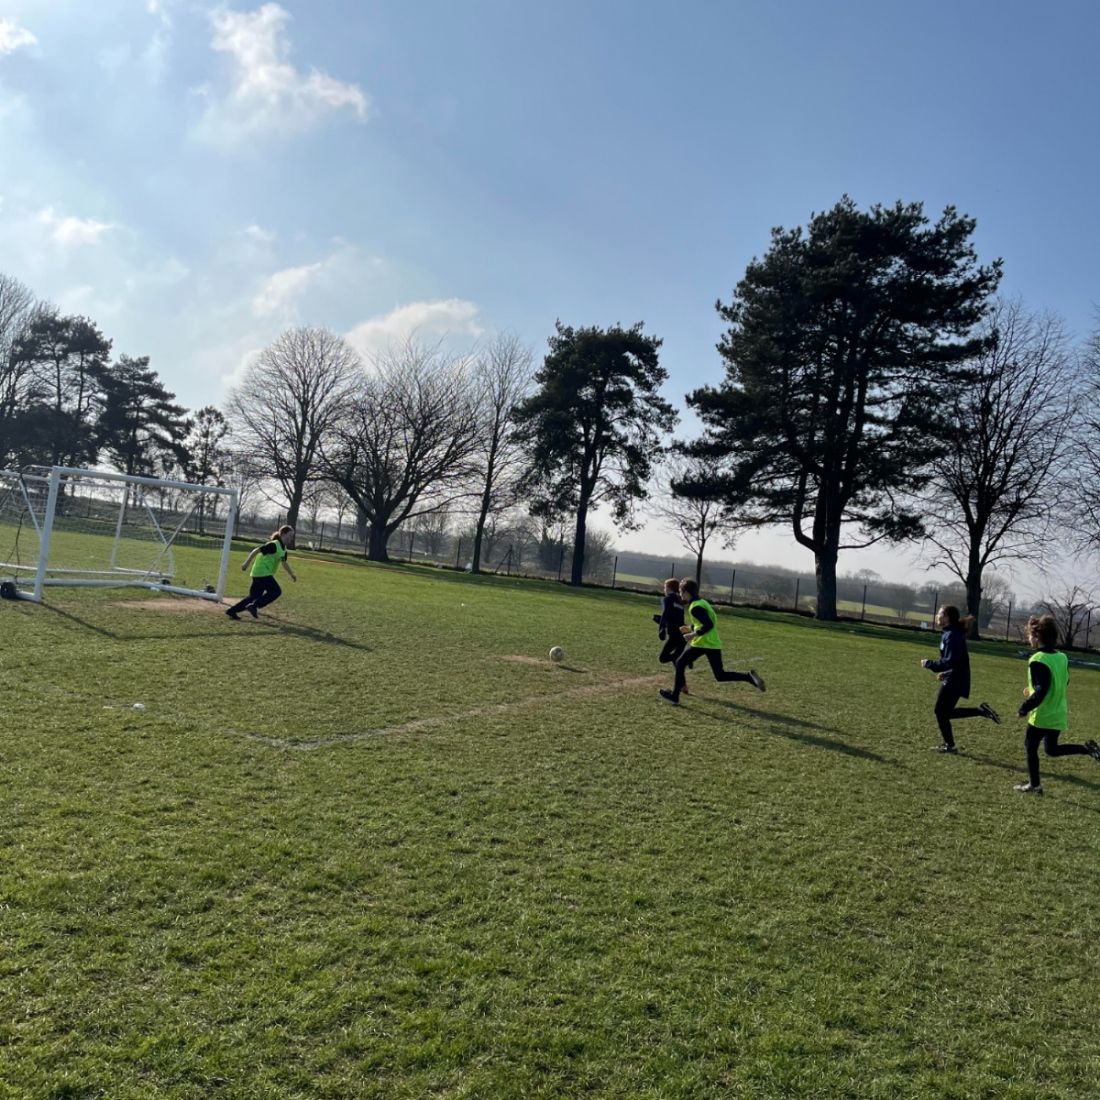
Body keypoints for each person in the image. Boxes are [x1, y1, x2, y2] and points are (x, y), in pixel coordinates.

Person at [1014, 614, 1100, 795]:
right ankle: (1086, 749)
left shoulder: (1037, 659)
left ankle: (1034, 785)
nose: (1029, 638)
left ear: (1037, 636)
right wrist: (1034, 691)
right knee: (1051, 750)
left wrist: (1025, 707)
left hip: (1042, 714)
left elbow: (1042, 690)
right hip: (1058, 712)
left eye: (1030, 635)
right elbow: (1063, 682)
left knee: (1030, 747)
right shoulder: (1062, 657)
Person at [659, 577, 764, 705]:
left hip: (702, 642)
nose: (680, 595)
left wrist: (693, 634)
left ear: (686, 592)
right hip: (713, 643)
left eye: (681, 592)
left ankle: (674, 696)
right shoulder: (702, 602)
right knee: (720, 675)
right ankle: (749, 678)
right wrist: (688, 629)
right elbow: (702, 623)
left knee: (680, 662)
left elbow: (708, 625)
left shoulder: (694, 607)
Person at [919, 605, 1000, 752]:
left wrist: (930, 664)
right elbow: (956, 661)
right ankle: (980, 711)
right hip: (955, 677)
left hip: (956, 680)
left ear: (947, 617)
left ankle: (951, 745)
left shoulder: (952, 635)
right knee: (945, 712)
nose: (937, 615)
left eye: (940, 613)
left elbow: (950, 661)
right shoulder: (949, 633)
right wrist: (946, 673)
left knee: (940, 711)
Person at [225, 525, 297, 620]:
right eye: (289, 536)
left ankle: (232, 611)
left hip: (260, 573)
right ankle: (254, 606)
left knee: (254, 596)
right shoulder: (274, 545)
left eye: (292, 537)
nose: (291, 539)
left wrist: (291, 574)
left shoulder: (283, 549)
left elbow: (284, 563)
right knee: (276, 591)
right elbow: (256, 550)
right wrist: (246, 563)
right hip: (262, 572)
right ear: (283, 534)